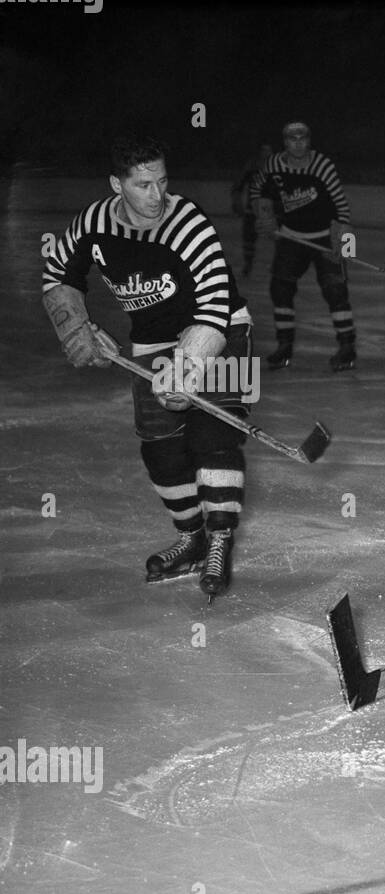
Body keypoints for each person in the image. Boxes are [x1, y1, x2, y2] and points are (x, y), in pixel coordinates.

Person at [41, 135, 253, 598]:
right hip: (153, 339)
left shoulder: (188, 222)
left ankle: (219, 539)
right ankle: (190, 538)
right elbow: (58, 274)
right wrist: (76, 326)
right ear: (117, 184)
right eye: (143, 185)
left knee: (213, 437)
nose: (157, 196)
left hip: (225, 331)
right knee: (159, 446)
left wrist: (188, 367)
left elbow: (216, 304)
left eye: (162, 181)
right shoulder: (93, 224)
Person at [249, 121, 357, 372]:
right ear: (284, 142)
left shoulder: (323, 166)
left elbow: (342, 207)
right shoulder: (274, 164)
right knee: (280, 289)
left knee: (336, 291)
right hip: (292, 237)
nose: (298, 144)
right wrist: (264, 214)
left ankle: (347, 346)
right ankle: (284, 345)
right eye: (292, 139)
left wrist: (344, 244)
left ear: (309, 141)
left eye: (302, 139)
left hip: (323, 236)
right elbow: (258, 190)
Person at [230, 142, 273, 277]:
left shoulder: (276, 169)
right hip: (253, 210)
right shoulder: (252, 168)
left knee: (278, 239)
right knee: (249, 238)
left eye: (268, 151)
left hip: (270, 211)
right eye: (263, 151)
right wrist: (237, 202)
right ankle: (248, 263)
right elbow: (238, 185)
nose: (266, 154)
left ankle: (279, 265)